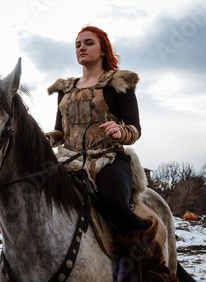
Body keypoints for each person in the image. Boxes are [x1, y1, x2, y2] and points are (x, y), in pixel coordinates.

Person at [46, 25, 146, 237]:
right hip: (68, 160)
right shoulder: (65, 89)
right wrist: (45, 139)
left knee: (114, 203)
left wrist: (121, 130)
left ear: (103, 50)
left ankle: (150, 256)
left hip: (108, 158)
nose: (81, 47)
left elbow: (135, 129)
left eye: (88, 43)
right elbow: (59, 133)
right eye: (77, 44)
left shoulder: (119, 84)